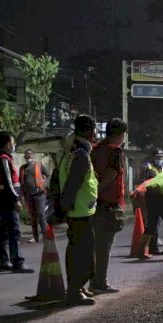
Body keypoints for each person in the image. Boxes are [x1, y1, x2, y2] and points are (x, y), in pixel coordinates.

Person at [59, 115, 99, 304]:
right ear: (90, 132)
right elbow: (73, 184)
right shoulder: (81, 155)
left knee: (77, 250)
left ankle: (78, 287)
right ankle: (75, 291)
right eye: (94, 131)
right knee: (83, 253)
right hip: (80, 212)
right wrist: (62, 209)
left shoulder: (69, 151)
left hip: (78, 210)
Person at [90, 118, 127, 295]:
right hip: (108, 203)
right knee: (104, 246)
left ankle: (92, 280)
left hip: (91, 203)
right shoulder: (116, 152)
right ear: (120, 135)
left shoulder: (94, 150)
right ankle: (99, 282)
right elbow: (112, 175)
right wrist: (98, 190)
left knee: (94, 244)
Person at [0, 131, 34, 274]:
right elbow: (8, 182)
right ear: (8, 143)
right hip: (6, 200)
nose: (14, 144)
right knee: (14, 231)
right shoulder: (4, 159)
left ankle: (3, 261)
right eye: (13, 142)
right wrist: (15, 199)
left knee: (2, 232)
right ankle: (17, 262)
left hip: (0, 199)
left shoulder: (0, 158)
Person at [19, 149, 50, 243]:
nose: (28, 157)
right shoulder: (22, 168)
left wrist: (44, 185)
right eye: (26, 155)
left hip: (39, 194)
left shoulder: (39, 165)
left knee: (41, 215)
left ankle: (46, 236)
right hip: (29, 196)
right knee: (32, 217)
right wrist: (21, 196)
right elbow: (21, 182)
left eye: (29, 155)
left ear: (33, 155)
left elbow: (48, 175)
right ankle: (35, 237)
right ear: (24, 157)